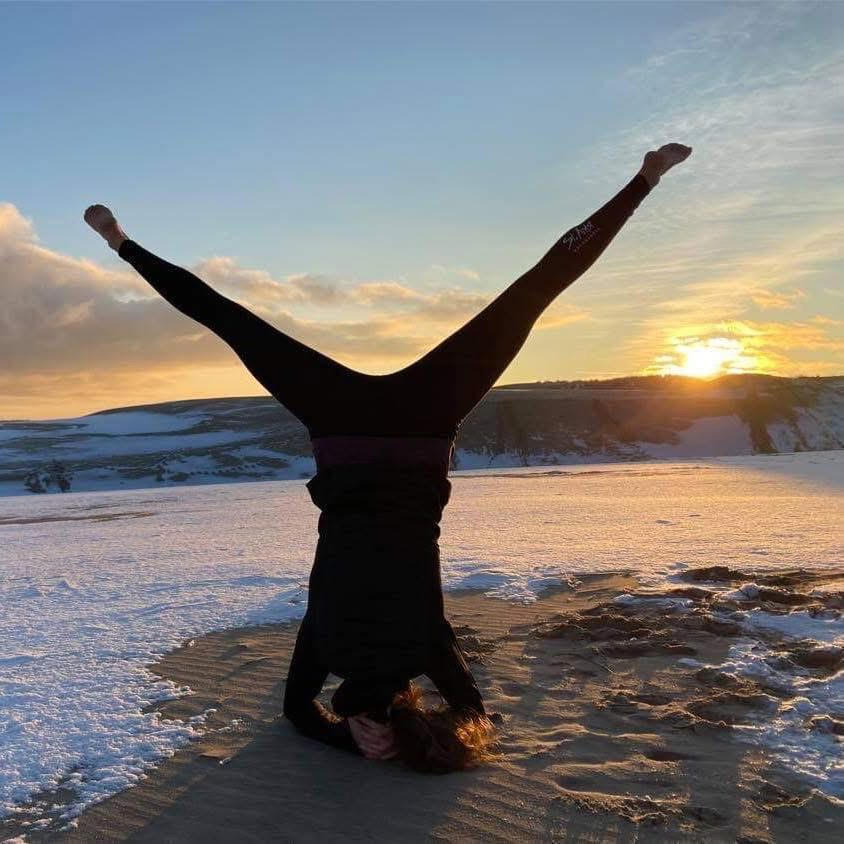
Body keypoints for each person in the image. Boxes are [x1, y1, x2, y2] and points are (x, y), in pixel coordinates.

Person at [84, 142, 692, 771]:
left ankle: (644, 179)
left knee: (529, 294)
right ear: (390, 714)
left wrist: (361, 737)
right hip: (369, 429)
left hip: (399, 430)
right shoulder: (361, 649)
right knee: (236, 320)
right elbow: (313, 711)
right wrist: (351, 737)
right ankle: (121, 243)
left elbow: (456, 712)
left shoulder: (401, 650)